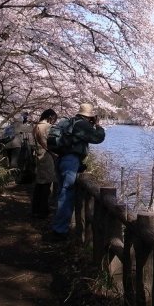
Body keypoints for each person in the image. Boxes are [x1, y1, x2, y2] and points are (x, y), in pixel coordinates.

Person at [51, 103, 105, 240]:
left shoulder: (69, 122)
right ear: (90, 116)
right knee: (66, 194)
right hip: (71, 161)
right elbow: (98, 138)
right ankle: (60, 230)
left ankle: (59, 225)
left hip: (61, 159)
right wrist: (98, 125)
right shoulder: (82, 124)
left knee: (62, 192)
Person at [31, 109, 58, 218]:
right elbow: (51, 143)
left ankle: (36, 208)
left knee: (39, 184)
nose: (54, 122)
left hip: (38, 155)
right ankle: (43, 210)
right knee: (46, 184)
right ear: (50, 117)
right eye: (54, 119)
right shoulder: (47, 127)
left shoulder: (36, 126)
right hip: (46, 157)